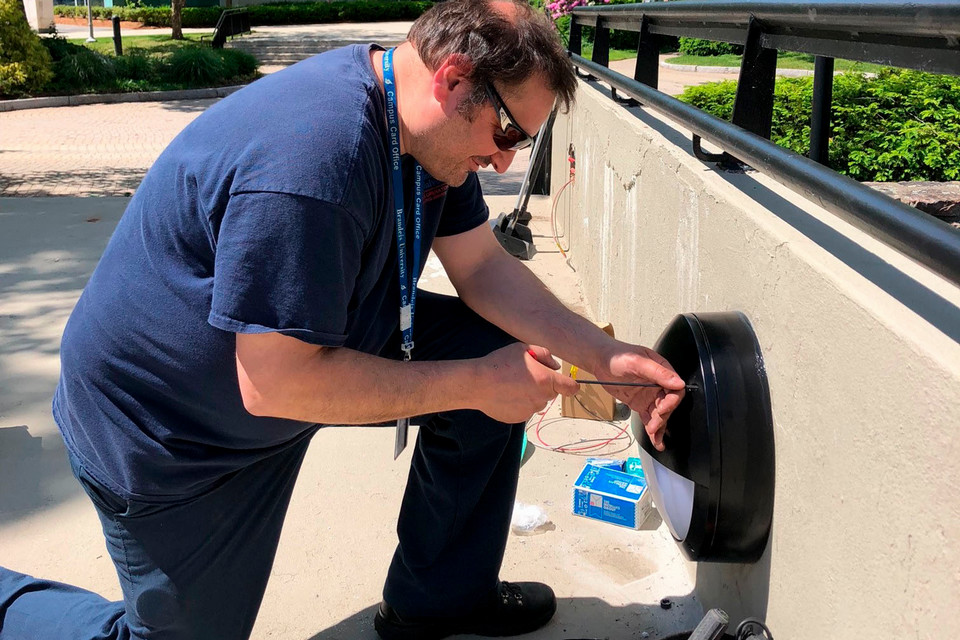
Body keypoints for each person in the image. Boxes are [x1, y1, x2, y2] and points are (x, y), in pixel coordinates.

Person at [0, 0, 685, 638]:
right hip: (173, 429)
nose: (505, 159)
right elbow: (275, 385)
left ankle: (439, 599)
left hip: (296, 350)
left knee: (490, 343)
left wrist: (604, 355)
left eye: (522, 142)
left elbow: (482, 268)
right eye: (506, 132)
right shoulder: (312, 162)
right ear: (453, 78)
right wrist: (479, 384)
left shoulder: (421, 130)